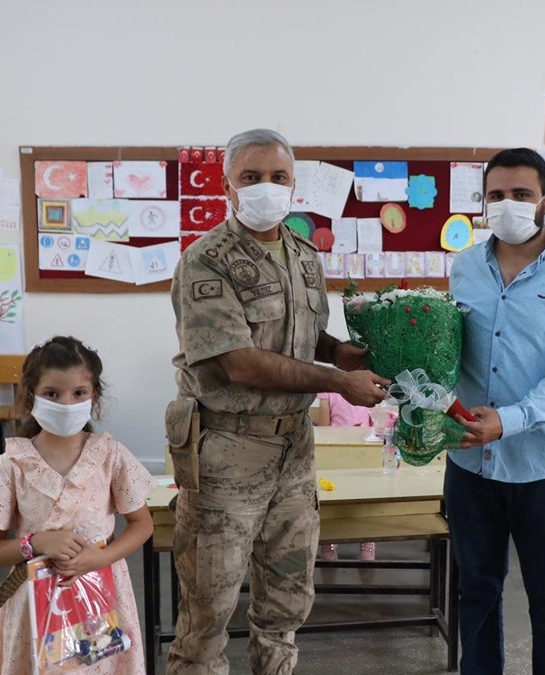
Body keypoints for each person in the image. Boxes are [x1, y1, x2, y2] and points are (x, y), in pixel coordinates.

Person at [166, 128, 388, 675]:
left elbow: (302, 336)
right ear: (227, 186)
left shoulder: (304, 255)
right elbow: (238, 362)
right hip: (227, 452)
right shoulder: (207, 259)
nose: (267, 187)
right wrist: (338, 382)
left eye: (278, 177)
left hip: (293, 452)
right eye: (251, 177)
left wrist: (343, 353)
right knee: (207, 615)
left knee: (286, 605)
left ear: (294, 186)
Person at [447, 147, 545, 674]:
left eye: (521, 194)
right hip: (471, 464)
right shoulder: (464, 267)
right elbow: (447, 356)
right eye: (496, 195)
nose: (507, 204)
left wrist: (508, 420)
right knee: (476, 595)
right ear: (482, 201)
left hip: (544, 467)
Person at [0, 336, 154, 675]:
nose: (67, 403)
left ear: (93, 396)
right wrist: (35, 544)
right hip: (34, 605)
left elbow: (142, 523)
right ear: (30, 396)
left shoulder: (109, 456)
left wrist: (101, 557)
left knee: (99, 666)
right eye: (52, 394)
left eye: (78, 393)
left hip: (100, 596)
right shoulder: (12, 464)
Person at [312, 393, 376, 562]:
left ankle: (362, 539)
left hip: (352, 456)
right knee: (337, 497)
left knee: (360, 497)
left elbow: (375, 426)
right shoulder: (330, 391)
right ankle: (334, 540)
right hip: (344, 456)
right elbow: (324, 428)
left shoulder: (363, 387)